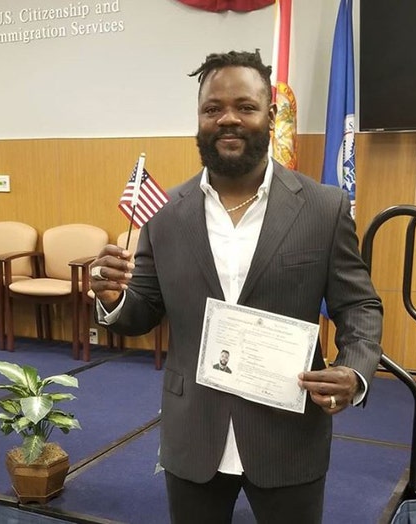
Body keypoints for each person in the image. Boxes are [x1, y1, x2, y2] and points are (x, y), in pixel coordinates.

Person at [89, 50, 384, 524]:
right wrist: (113, 300)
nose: (228, 118)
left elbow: (359, 305)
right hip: (194, 432)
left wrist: (355, 371)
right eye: (213, 108)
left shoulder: (323, 208)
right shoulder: (164, 215)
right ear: (199, 120)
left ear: (270, 117)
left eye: (245, 107)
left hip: (288, 434)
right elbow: (142, 310)